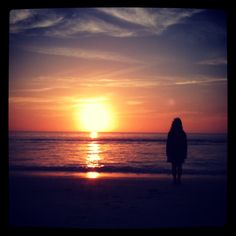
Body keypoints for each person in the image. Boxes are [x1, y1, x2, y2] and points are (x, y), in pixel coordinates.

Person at [166, 118, 187, 184]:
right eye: (175, 123)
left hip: (180, 152)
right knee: (174, 166)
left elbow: (185, 144)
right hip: (172, 152)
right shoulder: (170, 133)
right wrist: (167, 153)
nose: (176, 124)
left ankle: (178, 179)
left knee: (179, 166)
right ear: (173, 124)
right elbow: (168, 144)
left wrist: (185, 153)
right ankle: (175, 179)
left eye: (177, 123)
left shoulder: (182, 133)